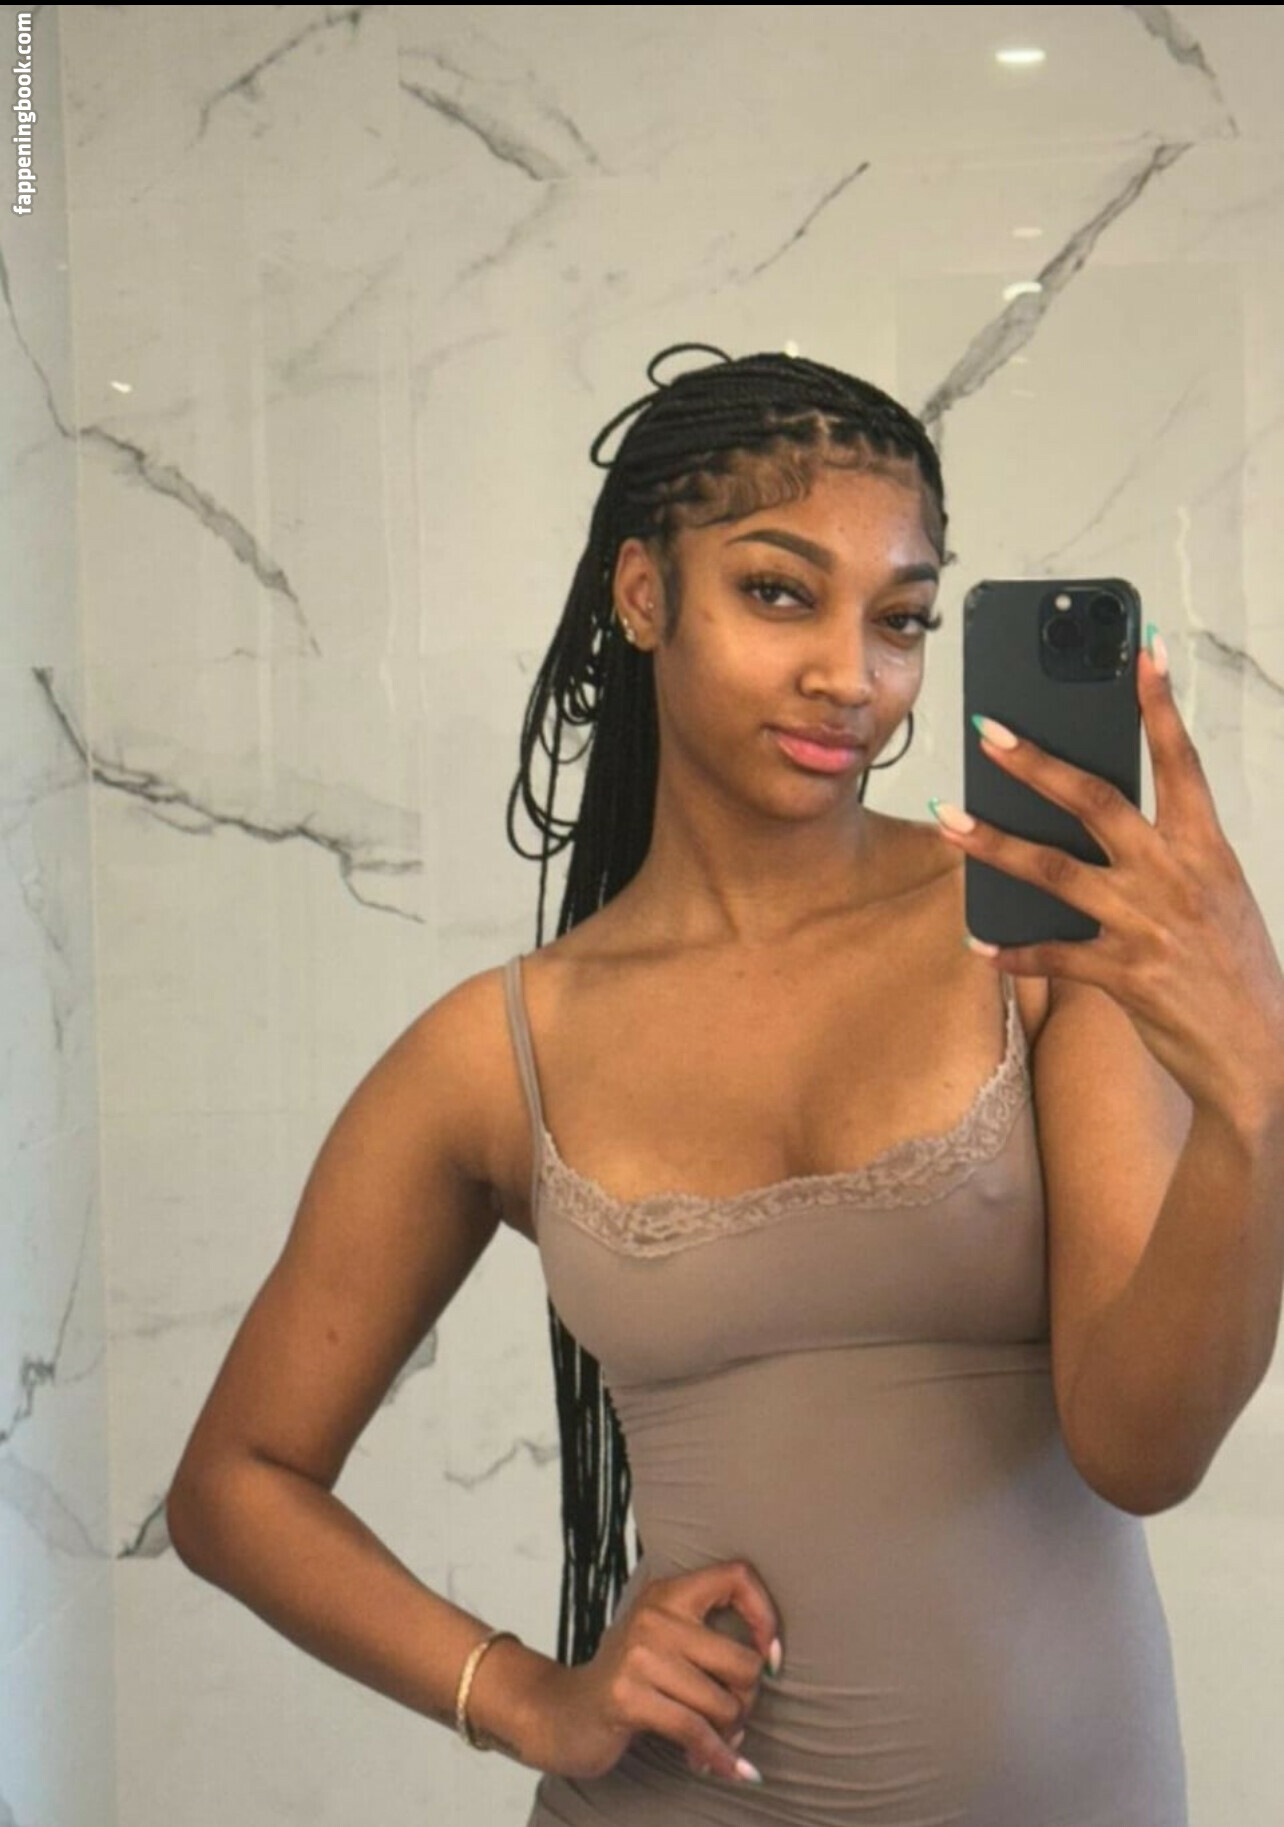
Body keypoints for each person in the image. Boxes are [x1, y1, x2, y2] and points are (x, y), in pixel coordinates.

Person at [168, 346, 1284, 1827]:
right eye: (778, 593)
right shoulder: (501, 1051)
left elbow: (1143, 1448)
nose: (851, 676)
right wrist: (525, 1694)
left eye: (900, 620)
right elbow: (235, 1483)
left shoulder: (1033, 948)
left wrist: (1256, 1098)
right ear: (644, 595)